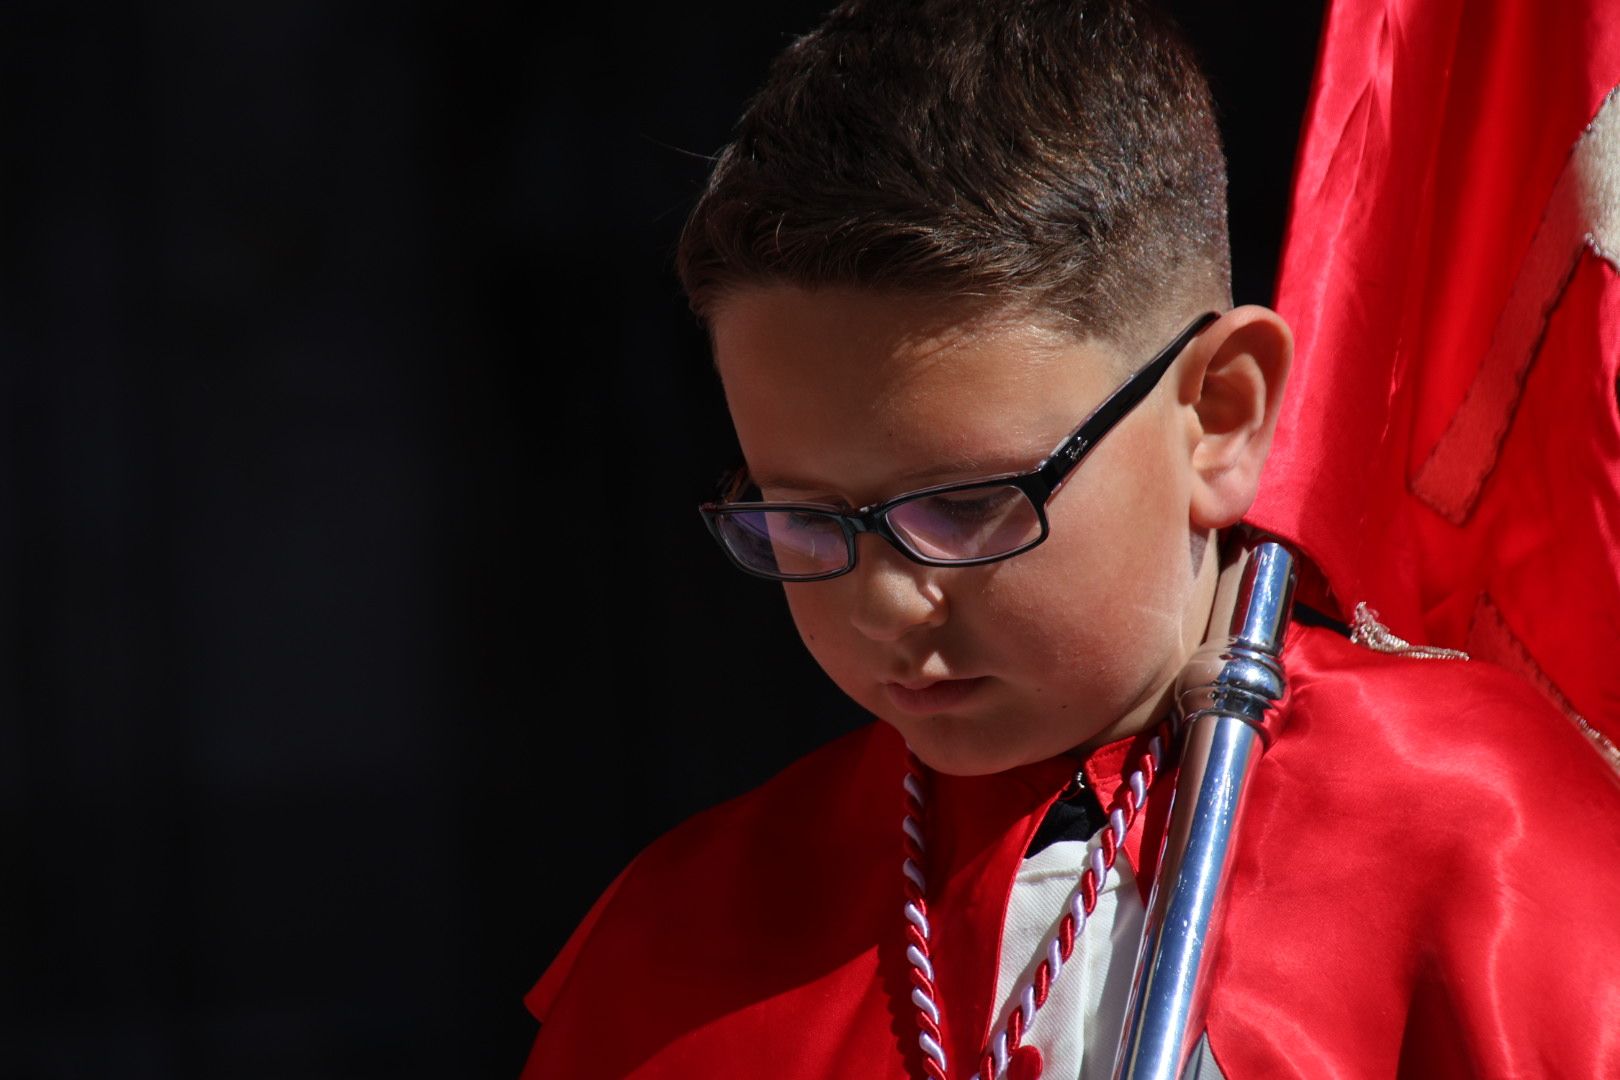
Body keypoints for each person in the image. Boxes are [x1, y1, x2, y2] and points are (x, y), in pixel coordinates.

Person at [518, 2, 1620, 1077]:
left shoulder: (1487, 846)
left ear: (1222, 414)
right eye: (802, 516)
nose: (885, 604)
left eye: (963, 505)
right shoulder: (691, 934)